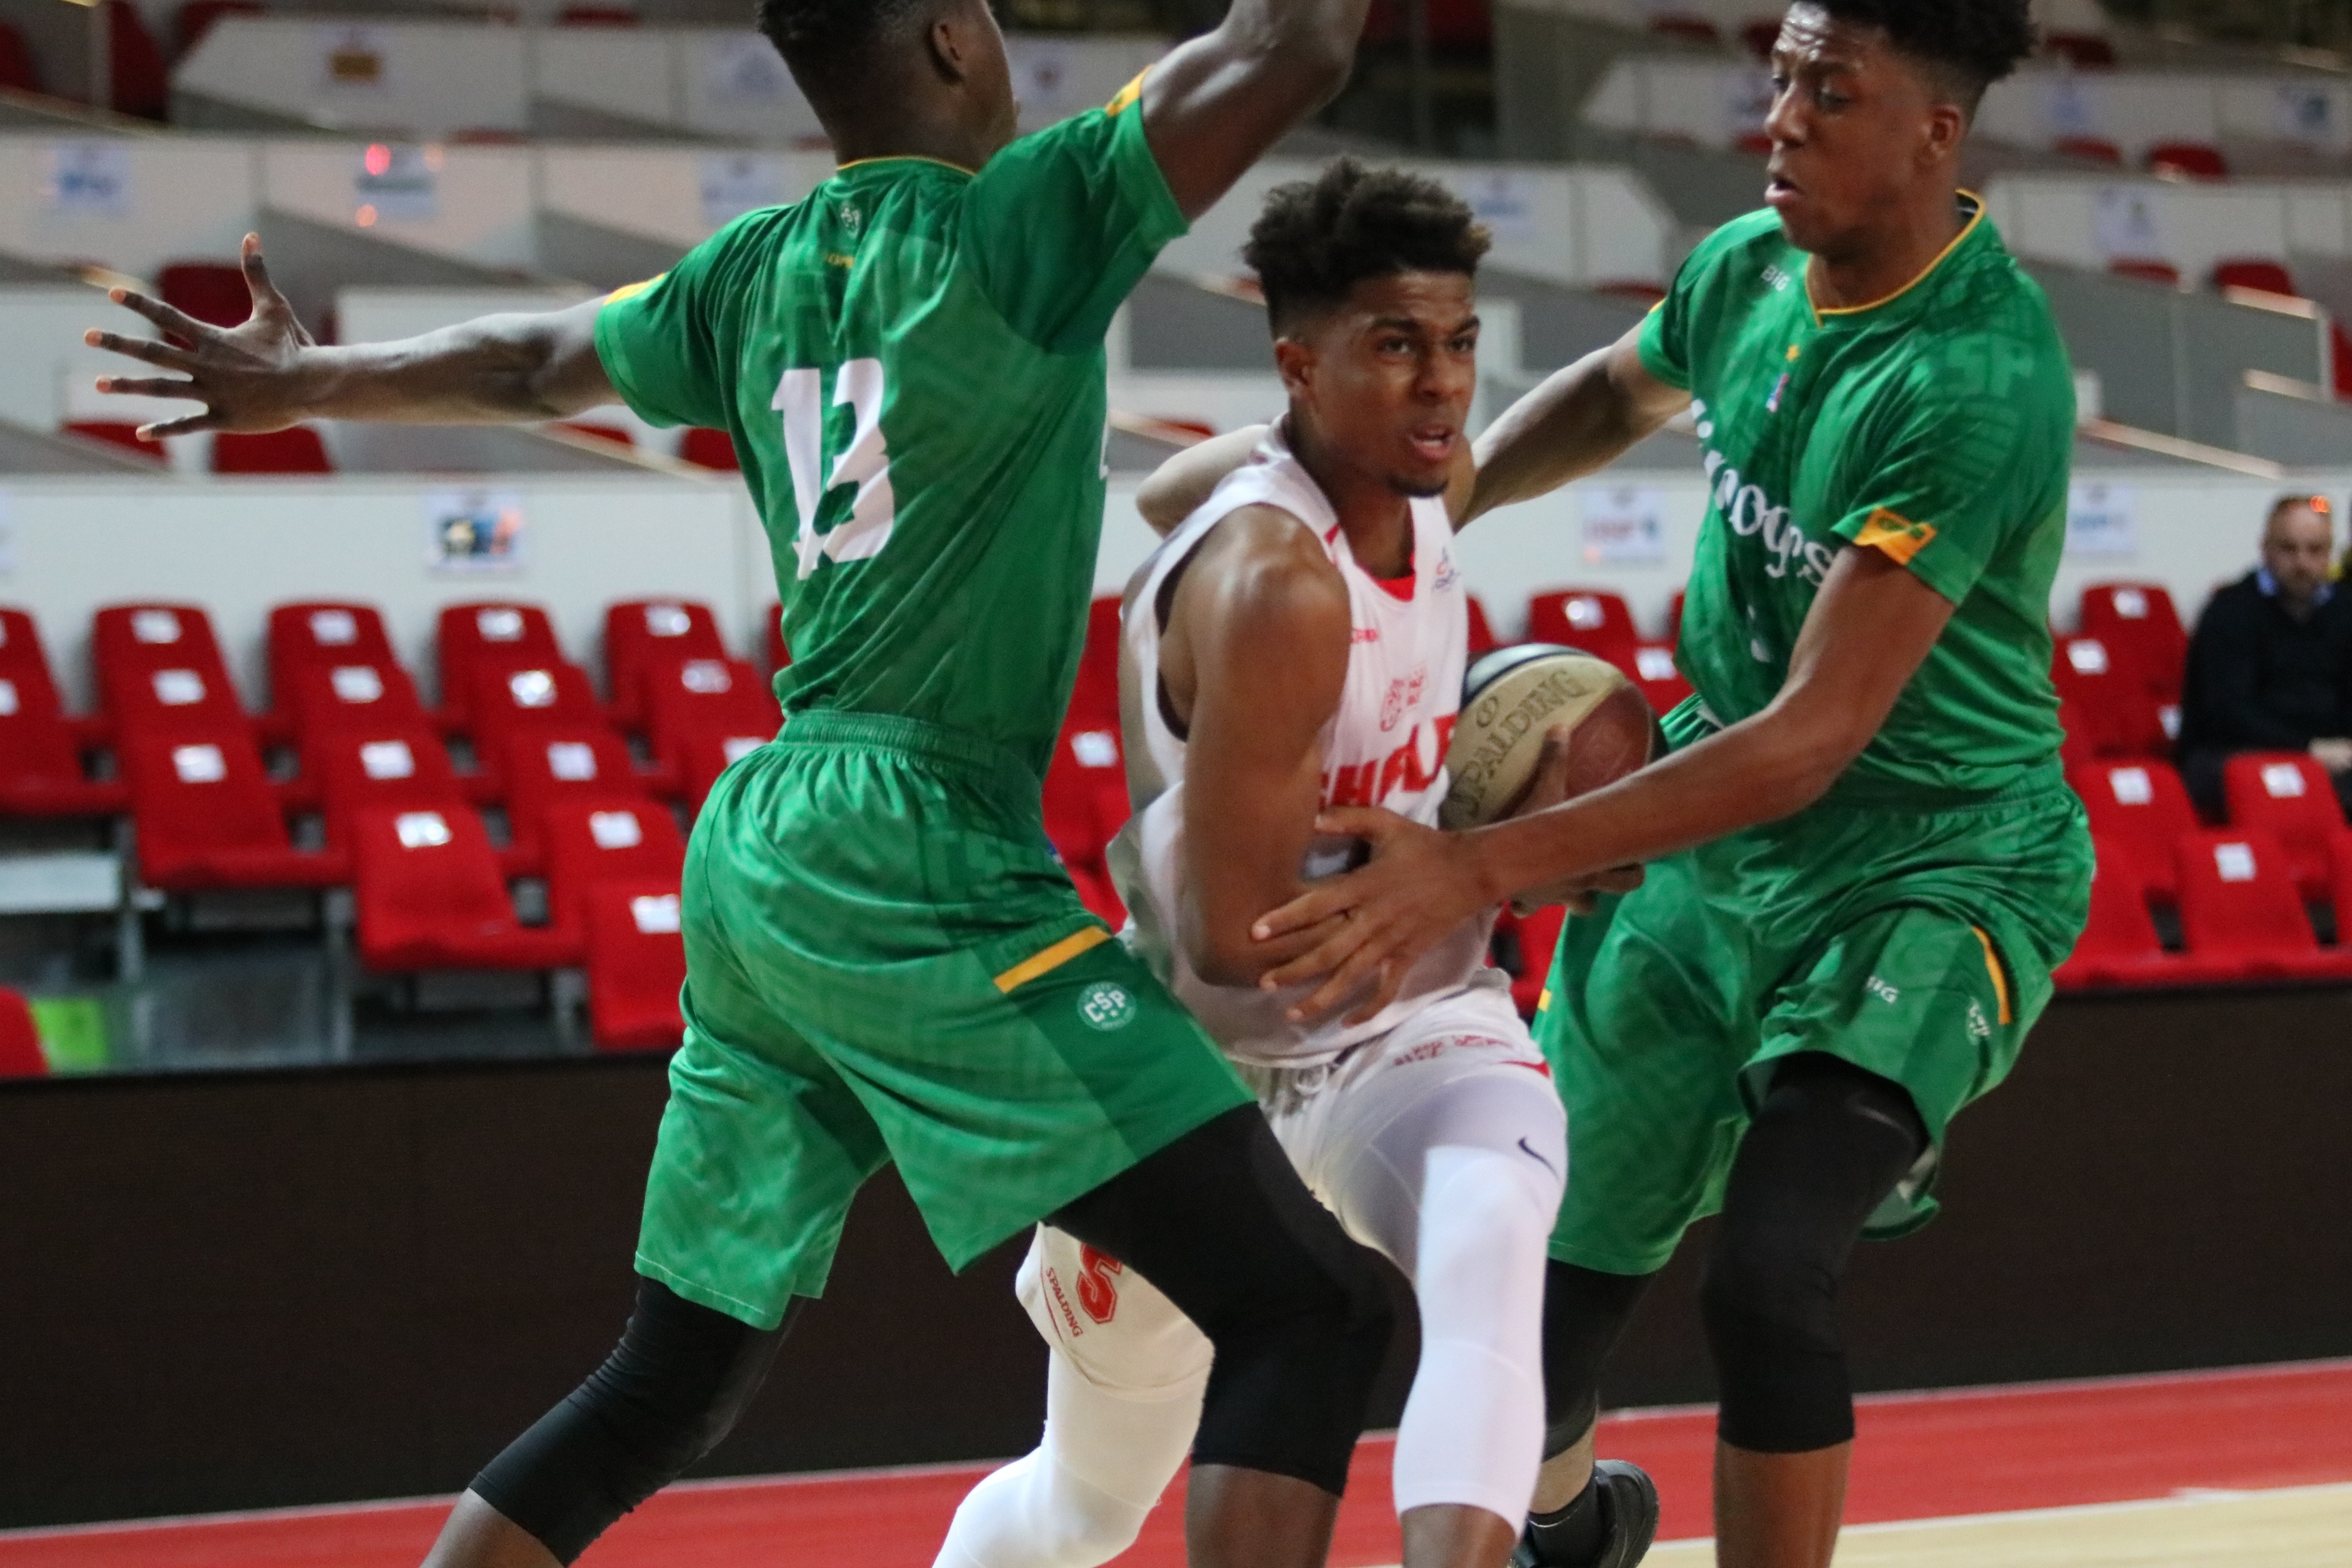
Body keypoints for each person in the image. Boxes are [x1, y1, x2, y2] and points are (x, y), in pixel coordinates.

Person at [86, 3, 1409, 1566]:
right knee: (1311, 1308)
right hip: (916, 852)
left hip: (770, 836)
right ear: (944, 40)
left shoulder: (752, 267)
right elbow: (1300, 46)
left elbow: (530, 359)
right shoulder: (1022, 223)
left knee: (671, 1377)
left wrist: (307, 383)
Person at [1233, 5, 2089, 1566]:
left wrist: (1475, 865)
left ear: (1934, 136)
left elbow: (1810, 738)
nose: (1780, 119)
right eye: (1779, 79)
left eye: (1832, 94)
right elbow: (1618, 393)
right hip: (1715, 848)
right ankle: (1578, 1536)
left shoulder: (1975, 379)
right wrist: (1426, 502)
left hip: (1923, 863)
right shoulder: (1752, 267)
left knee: (1767, 1275)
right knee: (1524, 1316)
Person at [933, 161, 1653, 1568]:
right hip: (1207, 1071)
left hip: (1407, 1026)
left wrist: (1692, 357)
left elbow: (1552, 422)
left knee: (1497, 1231)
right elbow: (1228, 933)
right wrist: (1474, 865)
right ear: (1299, 366)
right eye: (1396, 346)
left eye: (1455, 342)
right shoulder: (1276, 582)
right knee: (1087, 1498)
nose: (1442, 385)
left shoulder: (1406, 480)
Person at [2176, 495, 2352, 820]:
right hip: (2236, 752)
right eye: (2289, 548)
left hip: (2331, 753)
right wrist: (2308, 748)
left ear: (2330, 553)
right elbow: (2227, 713)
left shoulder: (2344, 610)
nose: (2302, 562)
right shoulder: (2229, 612)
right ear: (2265, 548)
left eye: (2315, 550)